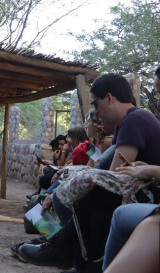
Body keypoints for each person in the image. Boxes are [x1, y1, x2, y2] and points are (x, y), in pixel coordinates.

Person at [18, 73, 160, 272]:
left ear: (109, 98)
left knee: (95, 195)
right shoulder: (127, 124)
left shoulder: (134, 120)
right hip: (143, 191)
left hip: (150, 195)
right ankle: (66, 249)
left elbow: (114, 177)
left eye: (95, 104)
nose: (95, 114)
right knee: (85, 195)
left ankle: (64, 247)